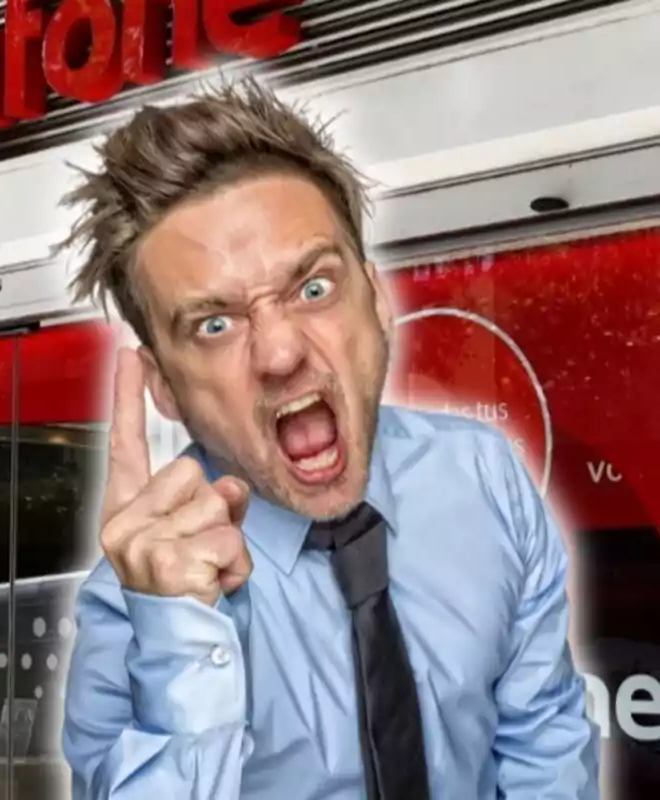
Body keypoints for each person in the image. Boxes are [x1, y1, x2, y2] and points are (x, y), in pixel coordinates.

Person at [57, 77, 600, 799]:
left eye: (313, 287)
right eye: (214, 325)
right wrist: (179, 645)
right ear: (163, 386)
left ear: (376, 301)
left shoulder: (483, 476)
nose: (280, 354)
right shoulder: (131, 609)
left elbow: (542, 743)